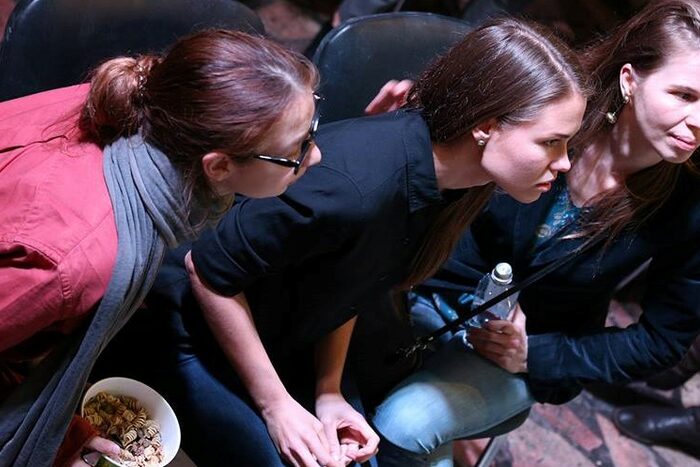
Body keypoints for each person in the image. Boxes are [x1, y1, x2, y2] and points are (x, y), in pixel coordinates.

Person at [104, 17, 589, 467]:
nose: (565, 162)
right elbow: (208, 271)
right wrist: (277, 406)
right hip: (192, 328)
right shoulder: (357, 187)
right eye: (551, 141)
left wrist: (329, 392)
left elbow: (351, 285)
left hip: (283, 331)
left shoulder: (459, 187)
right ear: (485, 126)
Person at [361, 1, 700, 465]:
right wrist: (393, 137)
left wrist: (537, 355)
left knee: (405, 425)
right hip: (422, 288)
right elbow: (436, 157)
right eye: (684, 95)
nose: (699, 121)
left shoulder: (689, 203)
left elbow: (662, 342)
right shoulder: (551, 98)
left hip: (519, 353)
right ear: (630, 80)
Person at [0, 29, 320, 467]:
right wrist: (51, 436)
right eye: (297, 149)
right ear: (219, 166)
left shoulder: (121, 107)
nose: (315, 157)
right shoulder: (76, 262)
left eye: (312, 129)